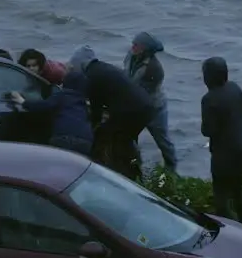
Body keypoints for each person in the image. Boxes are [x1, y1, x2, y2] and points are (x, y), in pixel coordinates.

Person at [68, 45, 157, 181]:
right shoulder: (103, 68)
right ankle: (134, 172)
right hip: (146, 107)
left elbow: (96, 107)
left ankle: (119, 174)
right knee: (125, 140)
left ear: (79, 64)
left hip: (132, 111)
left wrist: (91, 127)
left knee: (109, 137)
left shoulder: (91, 76)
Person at [201, 57, 242, 224]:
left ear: (208, 77)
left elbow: (207, 130)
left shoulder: (209, 99)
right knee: (238, 190)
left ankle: (229, 231)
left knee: (221, 197)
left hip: (225, 155)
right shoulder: (235, 88)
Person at [8, 65, 93, 156]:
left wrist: (22, 101)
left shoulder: (62, 95)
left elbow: (42, 106)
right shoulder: (83, 101)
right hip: (85, 141)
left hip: (63, 138)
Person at [124, 32, 177, 173]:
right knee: (129, 137)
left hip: (154, 109)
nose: (133, 47)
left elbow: (139, 91)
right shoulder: (131, 55)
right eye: (133, 44)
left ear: (145, 49)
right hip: (137, 104)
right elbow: (126, 75)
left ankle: (172, 169)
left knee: (163, 140)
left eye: (137, 45)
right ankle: (134, 165)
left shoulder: (155, 69)